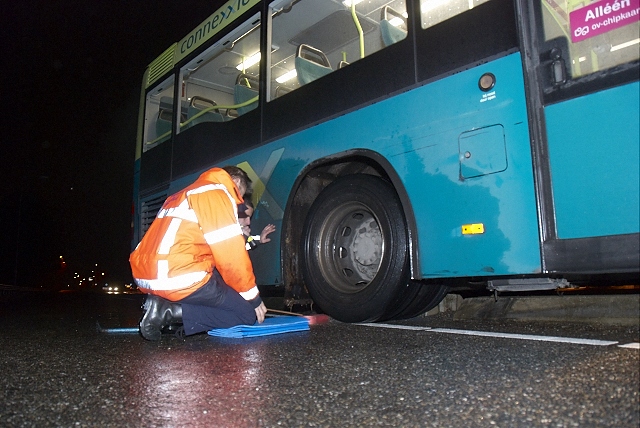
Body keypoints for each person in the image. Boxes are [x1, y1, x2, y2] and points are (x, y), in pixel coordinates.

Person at [129, 166, 267, 340]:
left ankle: (165, 305)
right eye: (239, 196)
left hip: (147, 275)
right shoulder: (217, 193)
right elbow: (231, 257)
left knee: (218, 281)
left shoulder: (183, 194)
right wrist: (253, 298)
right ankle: (168, 312)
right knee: (245, 314)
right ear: (237, 182)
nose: (238, 202)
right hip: (178, 275)